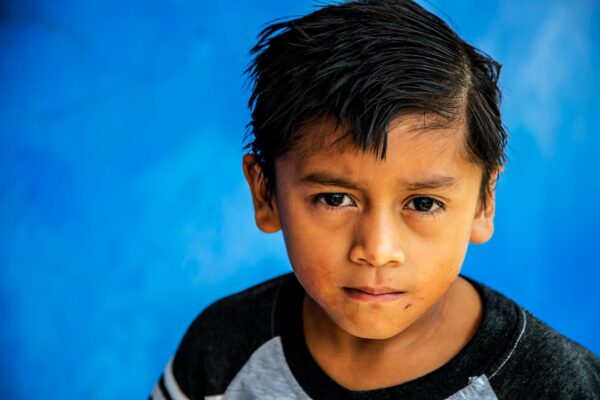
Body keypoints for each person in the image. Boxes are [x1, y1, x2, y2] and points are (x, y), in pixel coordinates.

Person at [150, 1, 600, 398]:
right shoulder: (221, 353)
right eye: (334, 198)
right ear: (265, 192)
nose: (378, 249)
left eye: (423, 203)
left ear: (484, 203)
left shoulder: (556, 385)